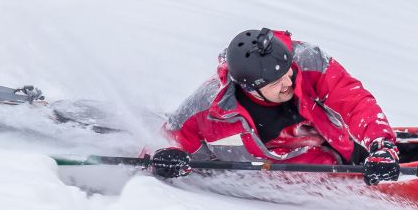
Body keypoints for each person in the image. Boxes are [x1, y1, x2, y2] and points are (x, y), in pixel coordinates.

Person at [150, 28, 400, 185]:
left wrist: (383, 146)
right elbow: (163, 145)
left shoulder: (308, 61)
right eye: (276, 83)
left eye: (288, 74)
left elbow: (355, 102)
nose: (289, 83)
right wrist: (163, 160)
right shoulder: (207, 109)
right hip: (282, 193)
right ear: (250, 87)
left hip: (342, 161)